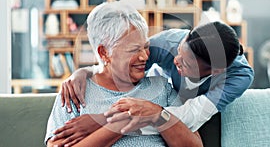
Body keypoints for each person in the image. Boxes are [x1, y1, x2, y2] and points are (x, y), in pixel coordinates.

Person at [57, 10, 254, 146]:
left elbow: (190, 117)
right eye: (179, 52)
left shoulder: (238, 77)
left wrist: (105, 121)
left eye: (186, 65)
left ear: (215, 71)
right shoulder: (167, 42)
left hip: (180, 110)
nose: (176, 62)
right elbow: (120, 64)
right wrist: (84, 72)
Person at [45, 1, 203, 147]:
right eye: (134, 50)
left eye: (146, 46)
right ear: (104, 53)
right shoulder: (75, 92)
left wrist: (157, 114)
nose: (145, 56)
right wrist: (121, 124)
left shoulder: (162, 87)